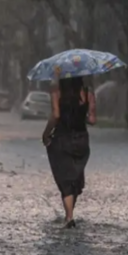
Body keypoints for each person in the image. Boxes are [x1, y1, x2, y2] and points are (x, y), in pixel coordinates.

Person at [42, 68, 96, 229]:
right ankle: (70, 214)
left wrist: (46, 134)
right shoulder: (88, 93)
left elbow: (56, 115)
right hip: (81, 140)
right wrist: (80, 115)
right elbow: (92, 120)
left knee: (65, 178)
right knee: (75, 178)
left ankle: (69, 217)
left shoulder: (56, 91)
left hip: (62, 139)